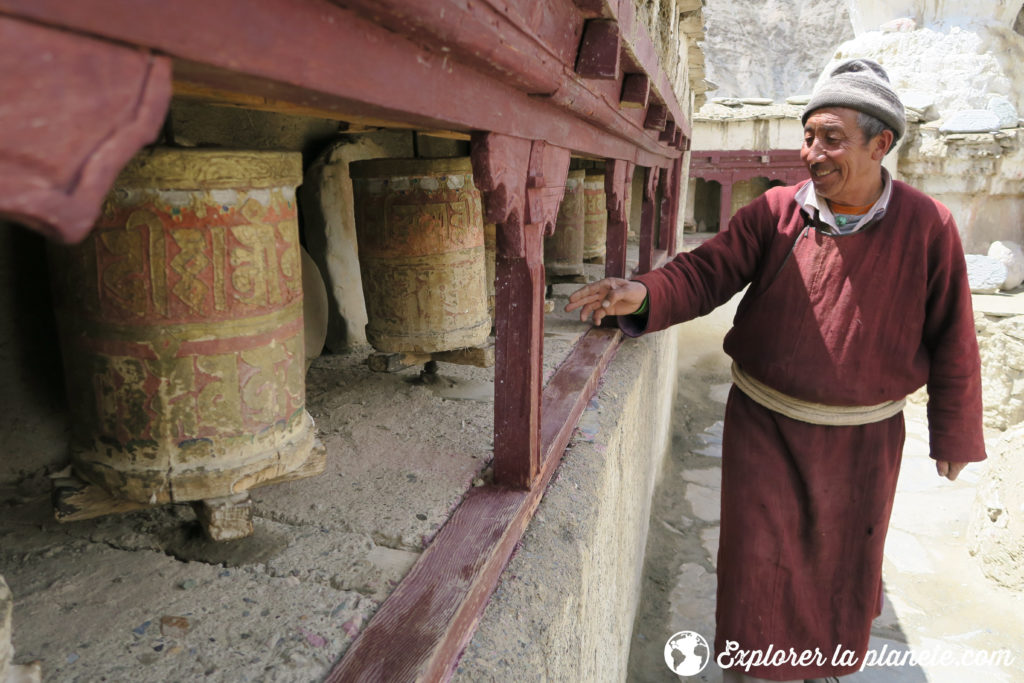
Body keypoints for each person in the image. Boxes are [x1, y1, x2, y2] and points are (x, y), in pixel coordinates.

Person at [566, 59, 985, 683]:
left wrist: (954, 435)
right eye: (809, 136)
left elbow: (954, 334)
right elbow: (707, 271)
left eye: (832, 139)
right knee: (755, 572)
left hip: (864, 447)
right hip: (765, 429)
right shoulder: (776, 211)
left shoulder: (929, 226)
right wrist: (645, 292)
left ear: (881, 144)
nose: (812, 153)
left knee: (842, 573)